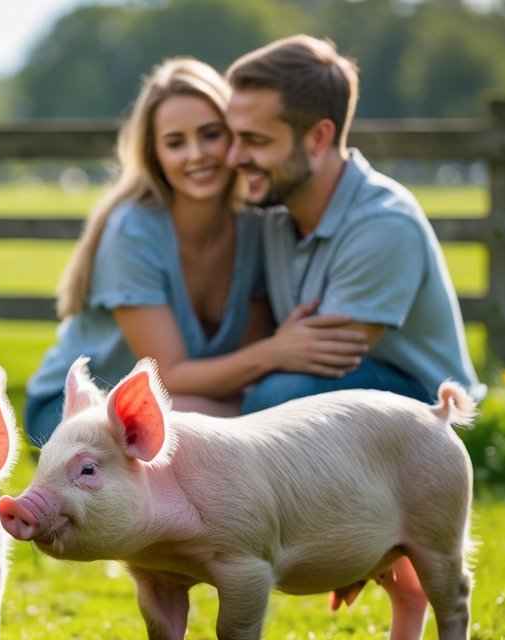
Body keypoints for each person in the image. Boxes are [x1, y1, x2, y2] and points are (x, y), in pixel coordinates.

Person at [24, 57, 368, 446]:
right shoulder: (132, 231)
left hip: (186, 402)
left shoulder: (257, 228)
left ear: (236, 138)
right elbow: (166, 376)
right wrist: (276, 354)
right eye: (175, 143)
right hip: (74, 406)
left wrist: (267, 371)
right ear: (155, 155)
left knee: (236, 424)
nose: (196, 155)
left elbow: (244, 370)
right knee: (201, 425)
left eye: (210, 134)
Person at [224, 35, 484, 414]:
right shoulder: (275, 212)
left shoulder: (385, 222)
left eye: (255, 140)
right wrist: (276, 349)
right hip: (344, 397)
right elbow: (276, 349)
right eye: (232, 136)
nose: (233, 157)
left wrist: (272, 352)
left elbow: (325, 357)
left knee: (275, 399)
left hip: (431, 413)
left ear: (318, 137)